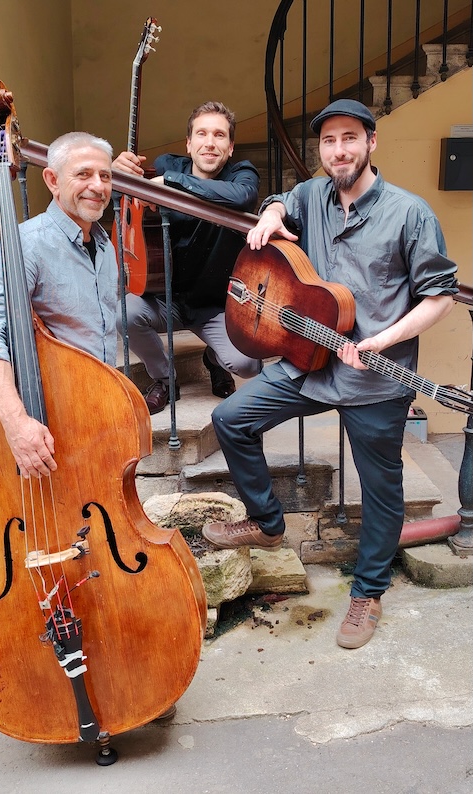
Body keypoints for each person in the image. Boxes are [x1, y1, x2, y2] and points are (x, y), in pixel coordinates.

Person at [201, 99, 458, 649]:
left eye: (349, 138)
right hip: (308, 363)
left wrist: (382, 340)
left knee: (381, 491)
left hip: (376, 378)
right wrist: (271, 211)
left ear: (371, 143)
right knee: (232, 419)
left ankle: (367, 593)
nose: (338, 151)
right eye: (328, 141)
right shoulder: (310, 195)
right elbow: (281, 200)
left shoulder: (410, 214)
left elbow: (439, 297)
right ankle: (268, 524)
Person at [0, 132, 118, 480]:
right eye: (83, 174)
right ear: (52, 180)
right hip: (47, 418)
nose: (98, 186)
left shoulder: (105, 246)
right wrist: (16, 422)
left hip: (96, 413)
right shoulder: (27, 244)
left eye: (105, 176)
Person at [112, 100, 261, 414]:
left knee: (248, 364)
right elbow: (117, 200)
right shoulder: (167, 164)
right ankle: (165, 379)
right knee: (125, 313)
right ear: (189, 144)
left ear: (231, 147)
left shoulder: (241, 175)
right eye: (202, 134)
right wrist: (117, 176)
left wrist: (170, 184)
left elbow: (241, 197)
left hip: (214, 305)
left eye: (219, 135)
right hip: (165, 297)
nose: (210, 143)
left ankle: (213, 359)